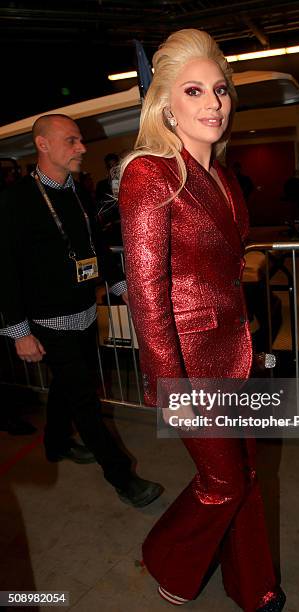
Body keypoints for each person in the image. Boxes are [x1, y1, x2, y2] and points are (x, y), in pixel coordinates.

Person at [119, 29, 285, 611]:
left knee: (247, 476)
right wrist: (171, 389)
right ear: (166, 104)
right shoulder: (149, 174)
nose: (213, 103)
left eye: (220, 90)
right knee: (223, 484)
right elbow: (146, 296)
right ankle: (166, 555)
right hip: (187, 365)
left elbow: (228, 260)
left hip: (234, 353)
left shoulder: (222, 175)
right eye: (194, 91)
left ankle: (253, 585)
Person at [0, 114, 163, 508]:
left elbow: (96, 249)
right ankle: (123, 478)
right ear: (42, 145)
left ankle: (56, 444)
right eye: (72, 141)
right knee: (84, 398)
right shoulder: (15, 199)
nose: (82, 148)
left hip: (85, 312)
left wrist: (123, 288)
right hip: (47, 320)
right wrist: (19, 331)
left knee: (68, 385)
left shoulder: (77, 191)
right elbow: (3, 268)